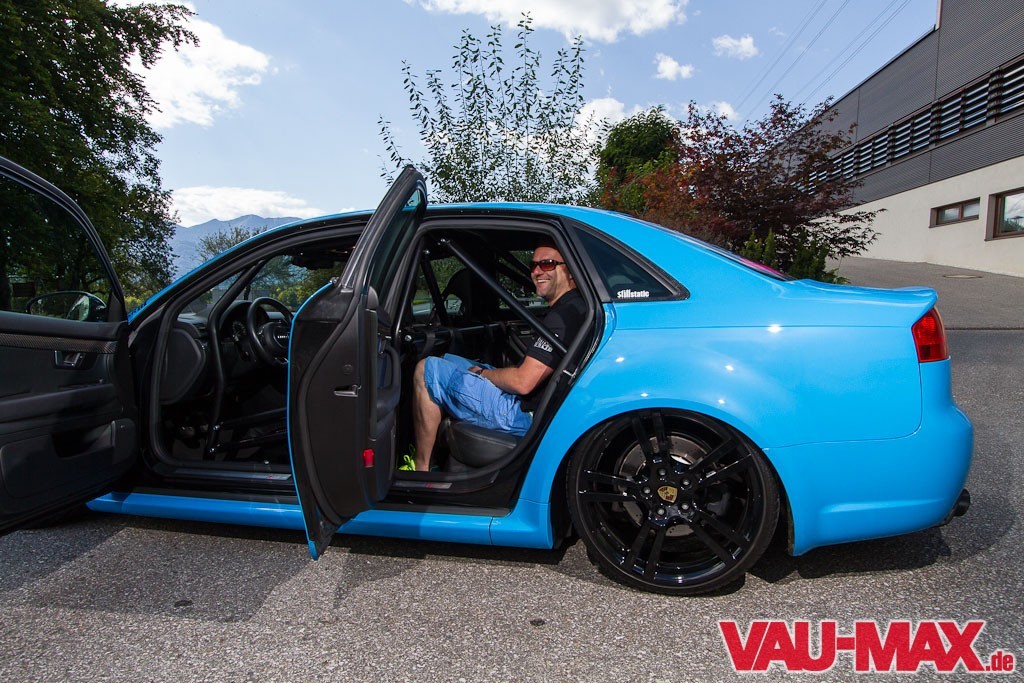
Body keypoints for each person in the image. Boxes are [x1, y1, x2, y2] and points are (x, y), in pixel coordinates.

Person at [407, 241, 586, 472]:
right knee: (448, 360)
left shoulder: (563, 318)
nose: (537, 271)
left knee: (426, 369)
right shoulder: (572, 307)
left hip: (521, 414)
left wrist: (483, 373)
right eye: (533, 265)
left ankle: (421, 470)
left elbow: (523, 382)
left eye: (548, 264)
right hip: (532, 403)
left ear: (569, 271)